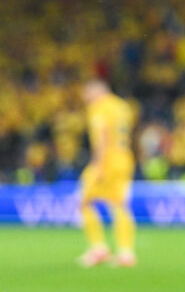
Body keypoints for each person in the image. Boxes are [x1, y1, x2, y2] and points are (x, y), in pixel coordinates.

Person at [76, 79, 138, 267]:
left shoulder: (99, 108)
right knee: (119, 204)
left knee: (84, 202)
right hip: (124, 157)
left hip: (107, 160)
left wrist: (98, 165)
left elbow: (101, 135)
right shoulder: (122, 106)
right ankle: (125, 252)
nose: (85, 98)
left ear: (95, 92)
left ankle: (99, 249)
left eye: (86, 93)